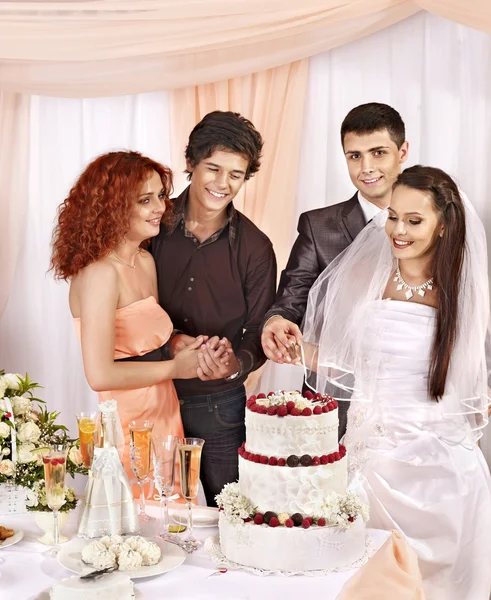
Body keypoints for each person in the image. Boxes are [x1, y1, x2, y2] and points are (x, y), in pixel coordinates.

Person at [302, 165, 491, 599]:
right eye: (392, 216)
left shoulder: (461, 290)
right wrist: (294, 346)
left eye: (414, 220)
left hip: (441, 467)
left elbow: (471, 383)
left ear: (443, 226)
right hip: (373, 460)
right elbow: (343, 361)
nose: (398, 230)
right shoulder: (364, 274)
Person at [50, 151, 206, 493]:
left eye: (160, 196)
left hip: (166, 411)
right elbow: (100, 375)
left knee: (174, 519)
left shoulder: (144, 261)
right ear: (113, 207)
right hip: (128, 424)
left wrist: (187, 345)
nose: (160, 208)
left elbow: (151, 341)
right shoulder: (99, 274)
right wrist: (176, 369)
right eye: (145, 200)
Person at [150, 111, 277, 506]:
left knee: (232, 514)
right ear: (190, 162)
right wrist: (169, 342)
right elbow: (126, 304)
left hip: (219, 404)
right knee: (154, 514)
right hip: (151, 391)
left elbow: (258, 331)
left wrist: (233, 365)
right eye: (213, 168)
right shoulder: (149, 225)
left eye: (235, 175)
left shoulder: (256, 248)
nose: (223, 184)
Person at [261, 103, 409, 437]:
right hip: (334, 399)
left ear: (403, 151)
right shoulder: (318, 225)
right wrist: (277, 322)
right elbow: (291, 298)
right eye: (354, 156)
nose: (366, 168)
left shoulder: (436, 221)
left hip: (409, 399)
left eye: (378, 153)